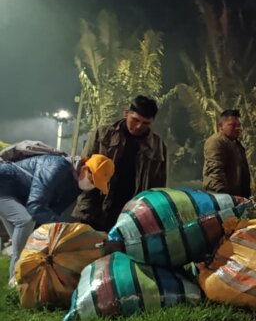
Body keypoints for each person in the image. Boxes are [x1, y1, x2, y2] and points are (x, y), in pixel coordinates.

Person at [0, 153, 113, 284]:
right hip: (4, 185)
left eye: (96, 184)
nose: (92, 185)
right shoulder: (55, 167)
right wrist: (64, 228)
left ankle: (21, 280)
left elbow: (54, 212)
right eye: (93, 179)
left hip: (19, 196)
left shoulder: (76, 185)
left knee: (25, 241)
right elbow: (35, 207)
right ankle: (16, 280)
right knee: (25, 221)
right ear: (84, 168)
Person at [75, 96, 167, 231]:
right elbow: (83, 169)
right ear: (126, 113)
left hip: (131, 215)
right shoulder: (103, 134)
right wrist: (86, 207)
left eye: (145, 123)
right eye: (135, 120)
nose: (138, 126)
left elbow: (159, 185)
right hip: (95, 209)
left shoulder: (158, 146)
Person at [202, 108, 251, 197]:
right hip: (220, 196)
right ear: (221, 126)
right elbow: (215, 170)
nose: (238, 128)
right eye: (232, 125)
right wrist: (223, 196)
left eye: (239, 125)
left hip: (235, 197)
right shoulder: (216, 141)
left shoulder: (236, 144)